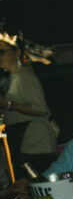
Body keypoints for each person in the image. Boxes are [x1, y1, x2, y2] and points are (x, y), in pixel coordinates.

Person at [0, 35, 54, 177]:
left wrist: (7, 104)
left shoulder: (24, 76)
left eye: (1, 52)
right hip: (22, 142)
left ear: (17, 52)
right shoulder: (11, 78)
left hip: (35, 145)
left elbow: (41, 110)